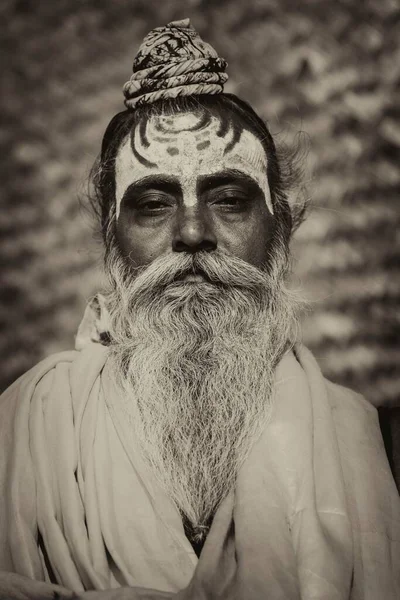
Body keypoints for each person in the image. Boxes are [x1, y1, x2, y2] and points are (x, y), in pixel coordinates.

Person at [0, 18, 399, 600]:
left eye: (230, 199)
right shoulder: (21, 433)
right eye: (154, 204)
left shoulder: (380, 449)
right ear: (113, 244)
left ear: (280, 233)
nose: (191, 232)